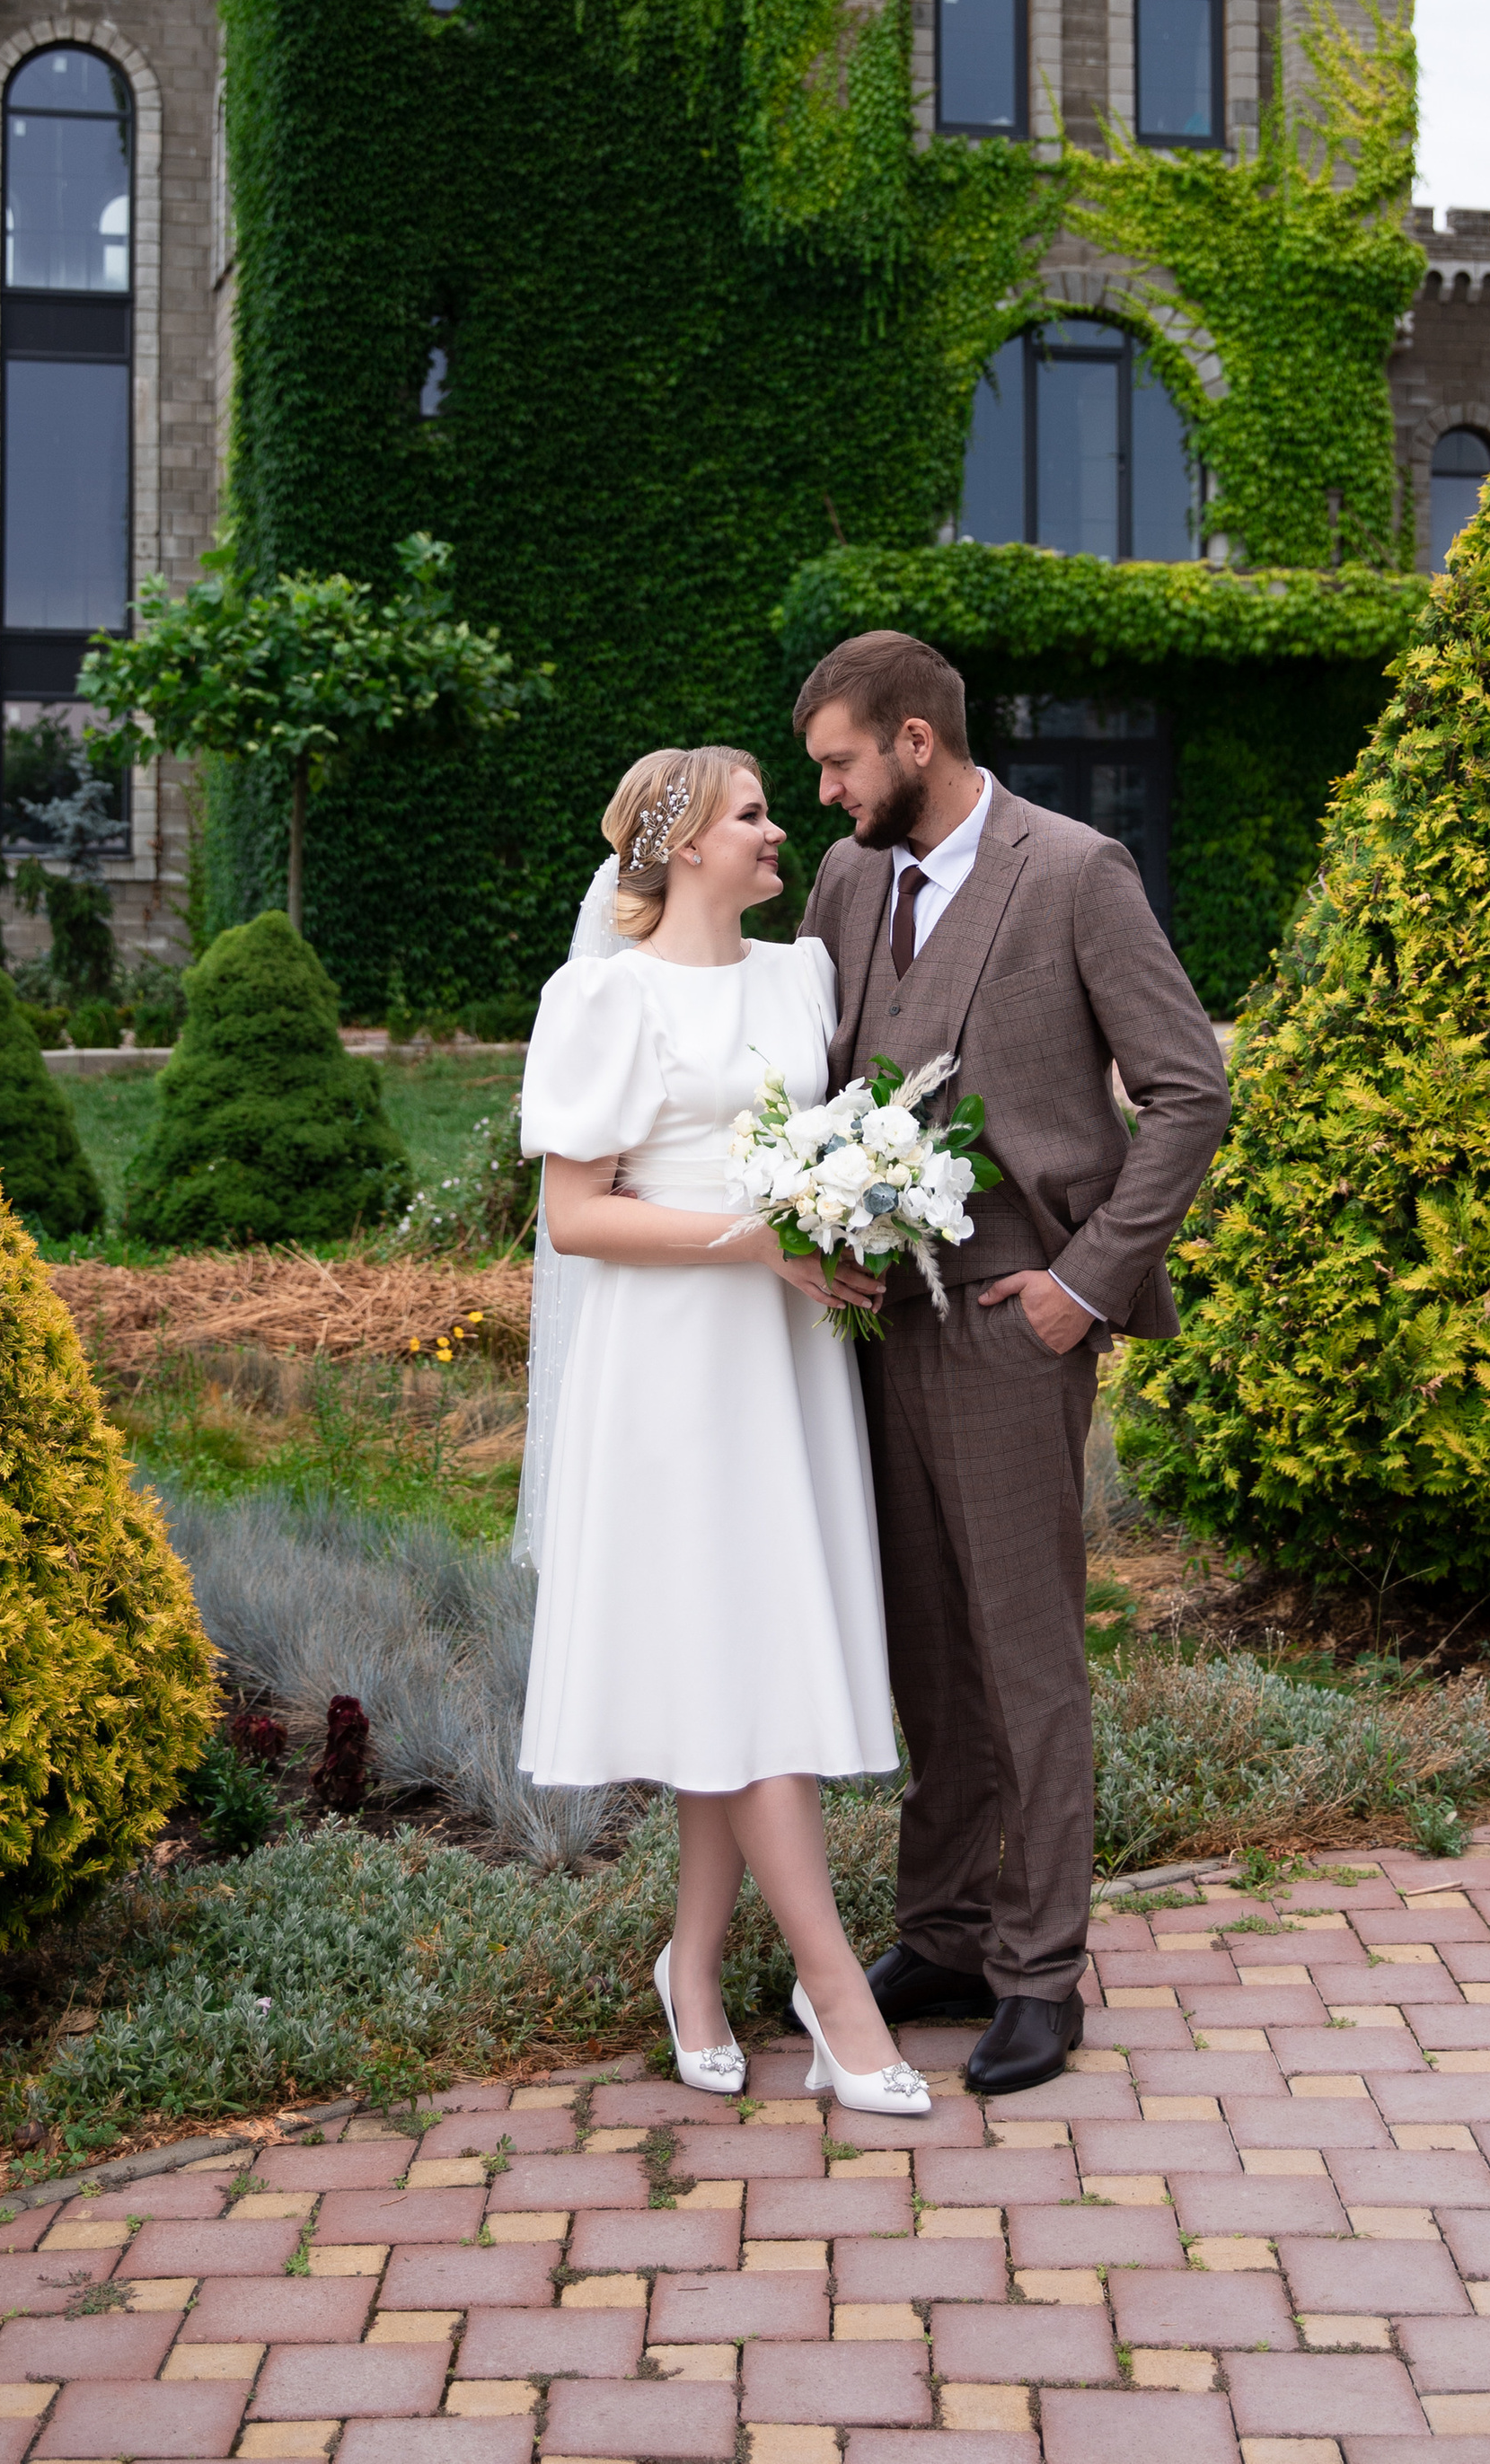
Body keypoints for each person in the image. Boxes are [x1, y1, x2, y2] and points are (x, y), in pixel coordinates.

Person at [798, 629, 1230, 2095]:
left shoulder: (1075, 873)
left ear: (916, 741)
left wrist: (1086, 1284)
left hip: (1012, 1325)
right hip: (880, 1327)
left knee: (1025, 1656)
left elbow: (1188, 1091)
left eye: (842, 764)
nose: (826, 797)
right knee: (926, 1648)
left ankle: (1044, 1971)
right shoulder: (851, 881)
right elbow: (827, 1084)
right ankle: (948, 1931)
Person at [516, 744, 930, 2117]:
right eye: (754, 816)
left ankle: (691, 1965)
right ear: (685, 842)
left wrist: (858, 1208)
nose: (777, 836)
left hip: (787, 1358)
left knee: (735, 1661)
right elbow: (580, 1217)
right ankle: (835, 1990)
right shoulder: (602, 999)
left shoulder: (795, 976)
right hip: (672, 1366)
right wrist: (752, 1237)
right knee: (737, 1662)